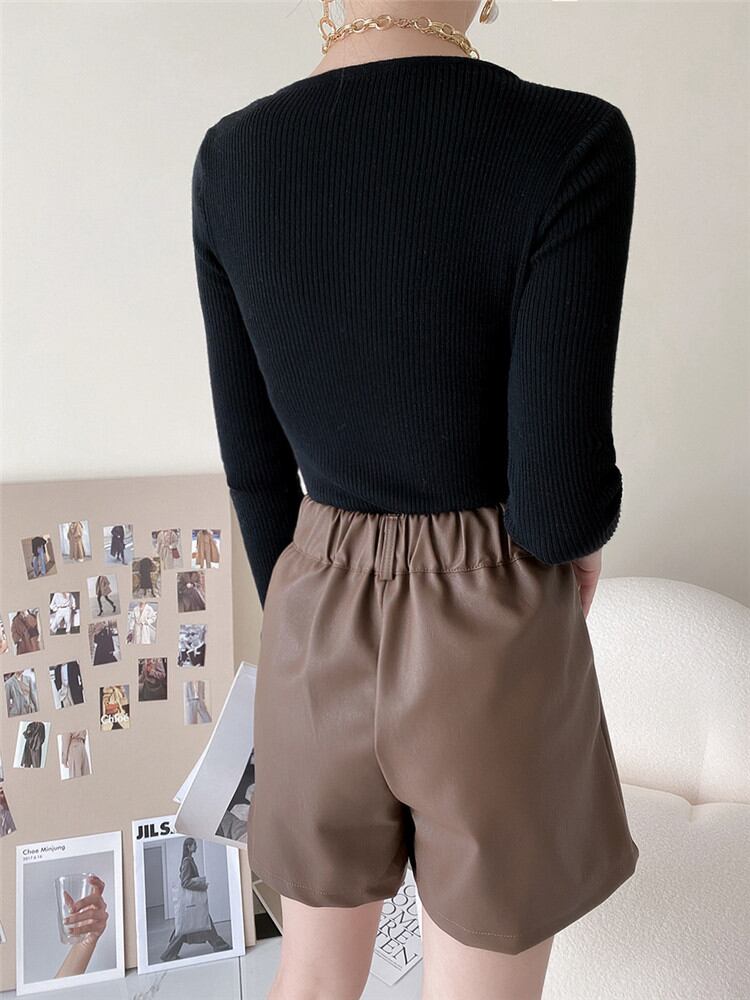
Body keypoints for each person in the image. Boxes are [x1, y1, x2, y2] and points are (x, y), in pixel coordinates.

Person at [191, 3, 640, 997]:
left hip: (314, 618)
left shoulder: (231, 160)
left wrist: (308, 616)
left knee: (311, 978)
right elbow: (558, 511)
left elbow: (256, 469)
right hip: (491, 630)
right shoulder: (573, 142)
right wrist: (576, 551)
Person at [159, 838, 233, 961]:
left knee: (194, 925)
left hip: (192, 903)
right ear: (188, 847)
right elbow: (185, 882)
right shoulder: (187, 862)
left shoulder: (188, 860)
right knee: (194, 926)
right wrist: (201, 885)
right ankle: (220, 946)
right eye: (194, 845)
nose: (196, 847)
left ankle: (219, 946)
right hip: (193, 903)